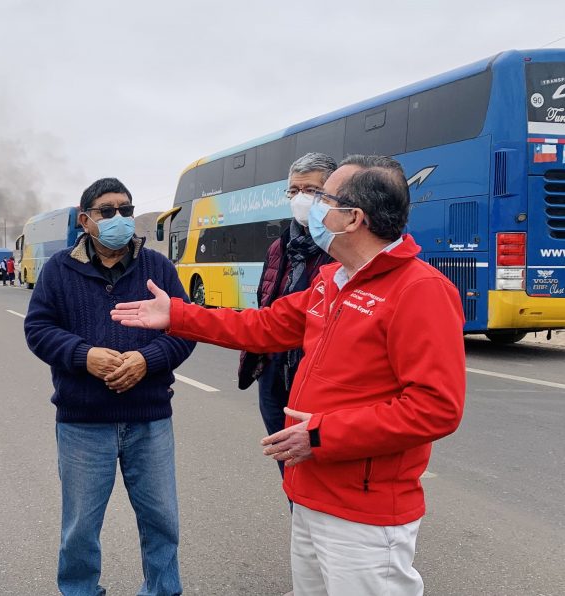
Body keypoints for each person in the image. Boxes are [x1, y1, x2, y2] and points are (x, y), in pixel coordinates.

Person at [112, 155, 466, 595]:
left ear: (353, 218)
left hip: (364, 508)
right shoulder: (331, 279)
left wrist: (320, 436)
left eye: (322, 197)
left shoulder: (419, 290)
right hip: (309, 490)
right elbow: (262, 327)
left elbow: (435, 409)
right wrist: (178, 315)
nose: (309, 206)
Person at [24, 177, 195, 596]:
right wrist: (85, 356)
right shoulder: (58, 271)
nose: (120, 218)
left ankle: (162, 591)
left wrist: (146, 360)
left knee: (161, 521)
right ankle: (80, 591)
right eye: (107, 211)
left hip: (149, 418)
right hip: (84, 422)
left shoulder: (158, 268)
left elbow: (185, 328)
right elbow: (38, 329)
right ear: (85, 220)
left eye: (126, 209)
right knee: (81, 527)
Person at [238, 152, 336, 478]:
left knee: (317, 464)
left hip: (315, 371)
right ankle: (299, 517)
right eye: (294, 191)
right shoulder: (280, 246)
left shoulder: (341, 245)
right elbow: (265, 305)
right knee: (288, 463)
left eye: (310, 190)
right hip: (273, 368)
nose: (299, 198)